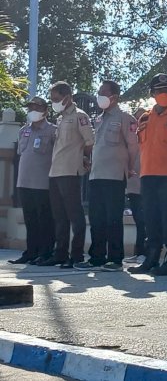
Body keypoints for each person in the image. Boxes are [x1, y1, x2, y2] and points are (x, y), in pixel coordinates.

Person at [128, 73, 167, 276]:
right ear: (152, 93)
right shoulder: (144, 117)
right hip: (148, 175)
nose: (164, 93)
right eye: (160, 90)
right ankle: (151, 257)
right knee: (151, 219)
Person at [75, 80, 138, 272]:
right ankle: (97, 257)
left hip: (115, 175)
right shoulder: (99, 119)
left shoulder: (125, 118)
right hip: (96, 175)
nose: (99, 95)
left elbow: (133, 146)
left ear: (114, 96)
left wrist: (130, 168)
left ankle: (115, 258)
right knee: (96, 219)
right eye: (99, 91)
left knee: (113, 218)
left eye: (103, 92)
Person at [39, 81, 95, 268]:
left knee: (74, 215)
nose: (54, 102)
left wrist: (84, 158)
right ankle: (60, 253)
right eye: (52, 99)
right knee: (59, 216)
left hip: (70, 170)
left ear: (68, 97)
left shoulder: (80, 116)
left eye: (56, 99)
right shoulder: (61, 118)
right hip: (56, 170)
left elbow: (89, 141)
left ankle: (77, 254)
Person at [10, 97, 56, 265]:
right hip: (24, 182)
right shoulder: (23, 130)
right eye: (30, 108)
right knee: (30, 220)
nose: (32, 111)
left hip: (43, 183)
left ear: (45, 110)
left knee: (44, 219)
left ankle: (45, 252)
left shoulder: (52, 131)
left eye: (36, 107)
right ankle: (30, 252)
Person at [124, 107, 146, 263]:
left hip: (144, 184)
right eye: (137, 118)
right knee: (138, 219)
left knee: (145, 220)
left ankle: (144, 252)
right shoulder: (131, 138)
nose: (138, 122)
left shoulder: (148, 137)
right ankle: (138, 252)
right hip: (132, 185)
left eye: (142, 118)